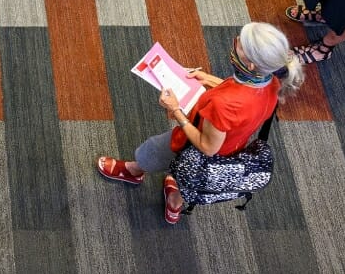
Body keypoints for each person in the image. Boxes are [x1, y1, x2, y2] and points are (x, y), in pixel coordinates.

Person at [96, 23, 303, 224]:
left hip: (198, 147)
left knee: (152, 151)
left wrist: (175, 109)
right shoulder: (272, 82)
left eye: (241, 45)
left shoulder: (224, 105)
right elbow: (244, 96)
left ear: (250, 65)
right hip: (235, 145)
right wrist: (208, 80)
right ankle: (175, 200)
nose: (236, 41)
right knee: (187, 177)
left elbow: (208, 147)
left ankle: (133, 171)